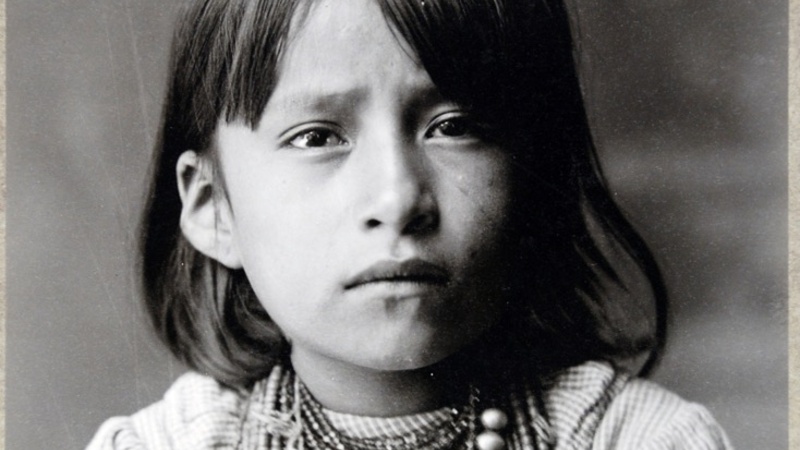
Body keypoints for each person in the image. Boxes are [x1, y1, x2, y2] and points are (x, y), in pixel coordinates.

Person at [88, 0, 733, 448]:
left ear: (536, 179)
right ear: (211, 206)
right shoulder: (171, 443)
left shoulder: (633, 439)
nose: (397, 198)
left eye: (453, 127)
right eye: (317, 137)